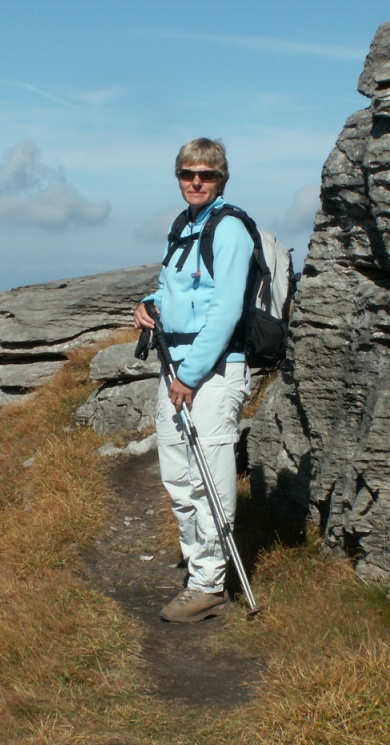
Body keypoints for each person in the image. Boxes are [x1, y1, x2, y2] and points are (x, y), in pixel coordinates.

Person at [133, 137, 254, 623]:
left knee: (210, 480)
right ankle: (198, 563)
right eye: (188, 173)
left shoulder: (230, 230)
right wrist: (149, 305)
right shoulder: (184, 226)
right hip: (176, 367)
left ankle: (209, 585)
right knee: (179, 477)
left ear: (222, 179)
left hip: (214, 370)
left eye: (207, 174)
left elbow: (226, 310)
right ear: (179, 177)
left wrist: (189, 374)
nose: (196, 181)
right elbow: (173, 288)